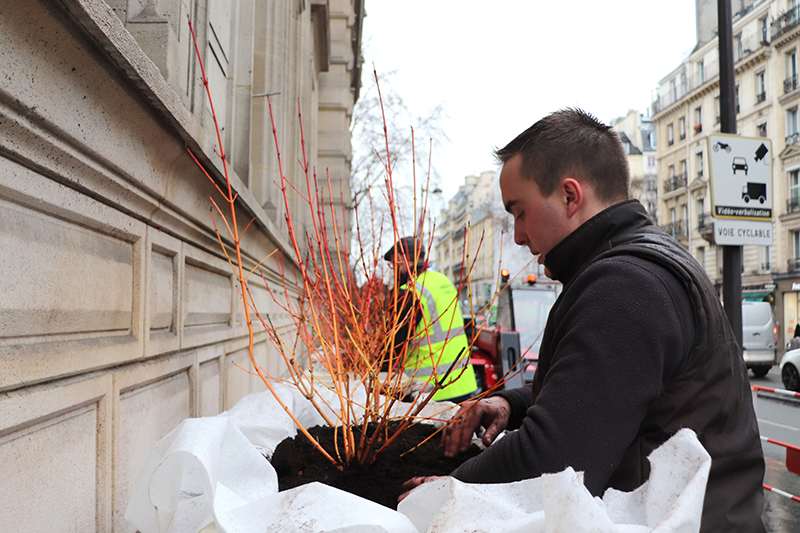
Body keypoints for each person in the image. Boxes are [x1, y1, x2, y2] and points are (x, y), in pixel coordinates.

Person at [400, 109, 765, 532]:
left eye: (519, 212)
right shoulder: (641, 266)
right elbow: (593, 396)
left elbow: (555, 461)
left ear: (571, 197)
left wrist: (447, 489)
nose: (517, 235)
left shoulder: (627, 286)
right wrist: (509, 404)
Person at [384, 236, 478, 402]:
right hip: (463, 383)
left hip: (431, 392)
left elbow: (394, 345)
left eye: (392, 265)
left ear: (399, 258)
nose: (393, 270)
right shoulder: (442, 280)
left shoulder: (409, 292)